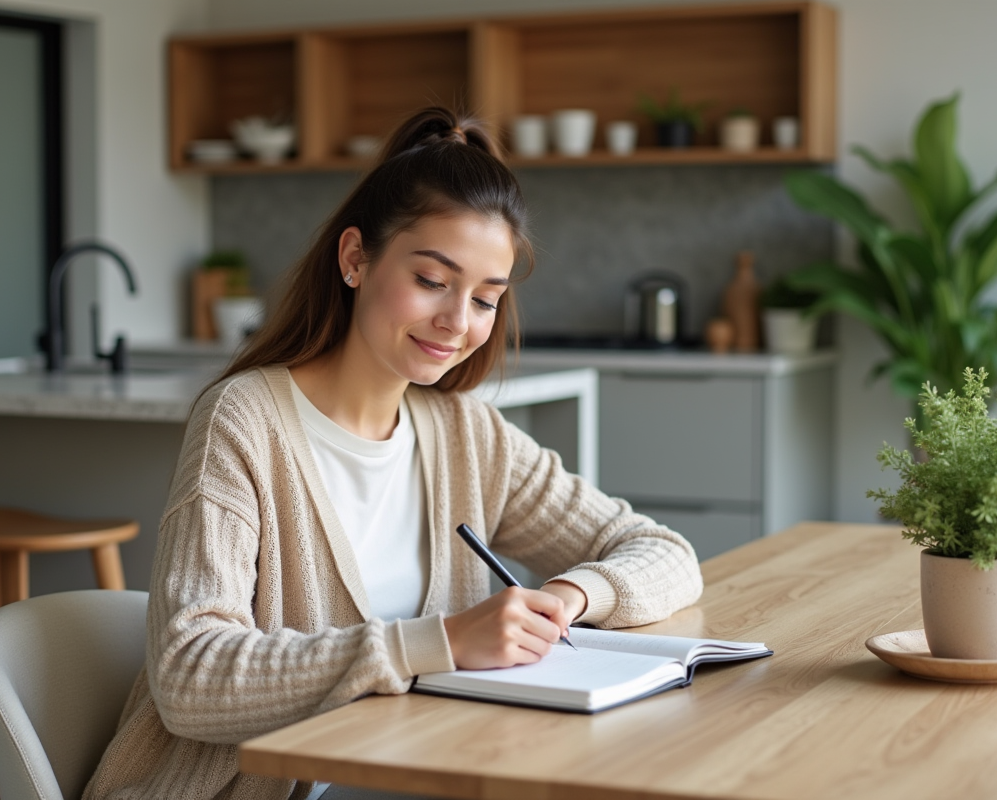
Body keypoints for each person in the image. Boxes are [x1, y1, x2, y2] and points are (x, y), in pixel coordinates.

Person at [83, 107, 703, 800]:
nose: (457, 322)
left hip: (416, 771)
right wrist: (440, 644)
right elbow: (189, 678)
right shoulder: (244, 421)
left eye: (486, 299)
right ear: (355, 258)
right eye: (433, 281)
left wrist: (565, 599)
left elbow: (665, 553)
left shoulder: (464, 433)